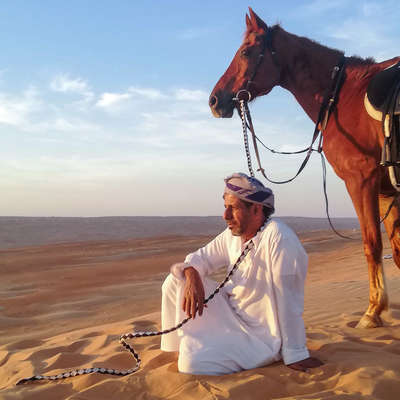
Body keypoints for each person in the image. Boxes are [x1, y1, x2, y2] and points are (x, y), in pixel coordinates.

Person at [160, 172, 323, 375]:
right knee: (175, 281)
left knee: (192, 365)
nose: (225, 215)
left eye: (233, 208)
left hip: (260, 337)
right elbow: (199, 258)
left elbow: (289, 299)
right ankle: (177, 347)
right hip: (230, 314)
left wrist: (296, 353)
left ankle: (197, 352)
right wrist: (192, 274)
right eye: (225, 207)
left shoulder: (279, 238)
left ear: (256, 209)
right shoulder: (232, 235)